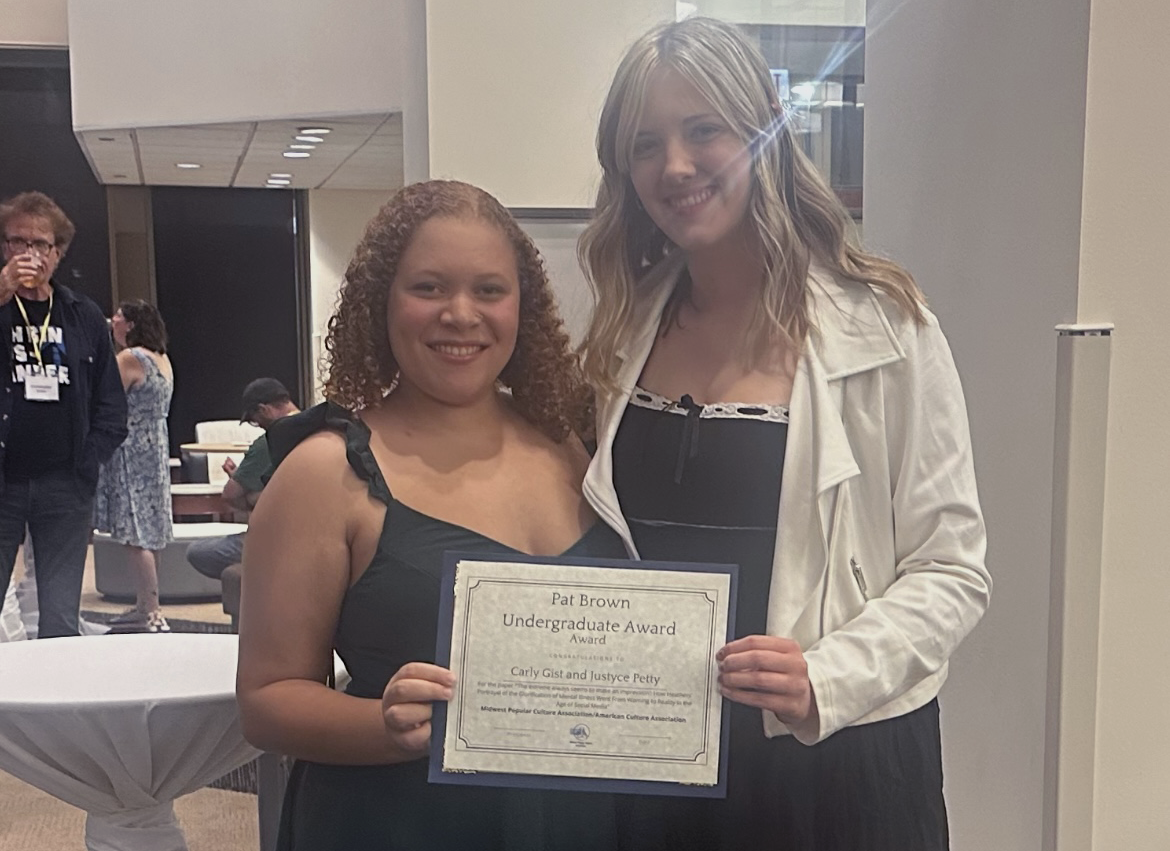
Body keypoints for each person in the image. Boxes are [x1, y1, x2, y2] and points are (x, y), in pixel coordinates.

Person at [577, 17, 991, 851]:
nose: (677, 166)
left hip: (837, 764)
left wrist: (823, 677)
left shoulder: (887, 329)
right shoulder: (620, 332)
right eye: (646, 143)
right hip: (663, 763)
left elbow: (953, 569)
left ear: (764, 122)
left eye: (704, 130)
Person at [236, 180, 624, 851]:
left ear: (522, 307)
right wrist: (382, 728)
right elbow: (267, 699)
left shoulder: (569, 443)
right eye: (429, 287)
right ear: (380, 303)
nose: (461, 314)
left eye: (489, 290)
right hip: (399, 821)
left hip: (570, 819)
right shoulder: (325, 472)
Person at [0, 191, 128, 639]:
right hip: (4, 480)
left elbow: (111, 404)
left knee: (59, 615)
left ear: (58, 253)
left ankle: (53, 706)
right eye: (17, 241)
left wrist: (87, 461)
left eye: (40, 244)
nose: (29, 254)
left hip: (64, 482)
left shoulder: (82, 315)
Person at [94, 300, 175, 633]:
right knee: (150, 530)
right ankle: (146, 603)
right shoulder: (162, 358)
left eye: (116, 317)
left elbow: (105, 397)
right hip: (156, 445)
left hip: (131, 449)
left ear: (129, 325)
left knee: (135, 534)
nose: (111, 321)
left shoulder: (130, 358)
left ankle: (151, 610)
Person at [185, 377, 298, 581]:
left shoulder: (268, 442)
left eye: (255, 420)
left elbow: (230, 494)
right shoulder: (316, 429)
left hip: (280, 537)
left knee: (198, 552)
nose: (258, 426)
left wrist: (251, 498)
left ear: (264, 410)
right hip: (315, 530)